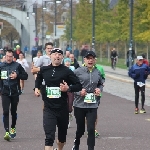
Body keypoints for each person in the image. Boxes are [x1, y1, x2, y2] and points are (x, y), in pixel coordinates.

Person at [34, 48, 82, 150]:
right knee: (49, 137)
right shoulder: (44, 69)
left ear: (62, 57)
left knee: (62, 138)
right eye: (55, 54)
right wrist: (36, 88)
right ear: (50, 56)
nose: (57, 56)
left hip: (62, 108)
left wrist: (68, 88)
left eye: (59, 54)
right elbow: (38, 79)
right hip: (49, 108)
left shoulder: (67, 71)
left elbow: (78, 85)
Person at [72, 51, 103, 150]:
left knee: (91, 129)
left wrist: (99, 89)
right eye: (88, 58)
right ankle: (76, 143)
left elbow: (100, 83)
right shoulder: (77, 71)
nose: (90, 60)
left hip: (92, 105)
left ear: (94, 60)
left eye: (92, 58)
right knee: (80, 129)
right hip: (79, 105)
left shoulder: (97, 71)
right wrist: (79, 92)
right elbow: (72, 86)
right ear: (84, 59)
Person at [0, 49, 28, 141]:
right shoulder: (1, 66)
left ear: (13, 57)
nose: (9, 58)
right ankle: (7, 131)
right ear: (5, 56)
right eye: (7, 56)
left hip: (15, 92)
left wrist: (17, 75)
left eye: (10, 56)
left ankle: (13, 127)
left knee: (13, 111)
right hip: (5, 92)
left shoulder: (17, 65)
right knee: (5, 111)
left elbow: (25, 76)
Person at [64, 58, 75, 128]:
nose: (67, 63)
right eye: (66, 62)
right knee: (64, 105)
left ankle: (70, 112)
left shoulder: (73, 69)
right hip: (64, 90)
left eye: (68, 62)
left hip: (71, 89)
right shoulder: (62, 69)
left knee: (70, 104)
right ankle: (66, 121)